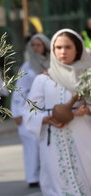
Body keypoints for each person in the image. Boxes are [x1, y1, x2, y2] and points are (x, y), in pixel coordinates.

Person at [23, 29, 91, 195]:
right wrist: (47, 118)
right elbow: (29, 112)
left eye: (68, 47)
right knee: (58, 184)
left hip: (83, 137)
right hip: (53, 139)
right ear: (52, 50)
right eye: (58, 47)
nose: (63, 52)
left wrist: (87, 110)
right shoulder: (43, 79)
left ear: (78, 49)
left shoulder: (87, 77)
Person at [11, 34, 50, 188]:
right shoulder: (27, 66)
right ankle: (32, 177)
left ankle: (48, 175)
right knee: (31, 144)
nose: (35, 48)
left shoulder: (53, 63)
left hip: (50, 108)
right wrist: (17, 112)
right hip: (30, 110)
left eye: (38, 45)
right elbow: (19, 90)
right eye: (33, 45)